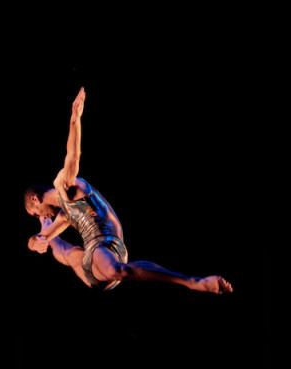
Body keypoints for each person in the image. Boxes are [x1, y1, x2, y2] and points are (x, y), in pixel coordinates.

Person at [24, 88, 232, 294]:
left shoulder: (65, 186)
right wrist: (36, 244)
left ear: (36, 199)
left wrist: (74, 120)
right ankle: (190, 282)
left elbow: (73, 156)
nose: (41, 215)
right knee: (62, 251)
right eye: (39, 218)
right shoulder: (64, 215)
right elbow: (35, 240)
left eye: (36, 213)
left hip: (104, 253)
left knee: (105, 266)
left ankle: (193, 282)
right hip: (96, 265)